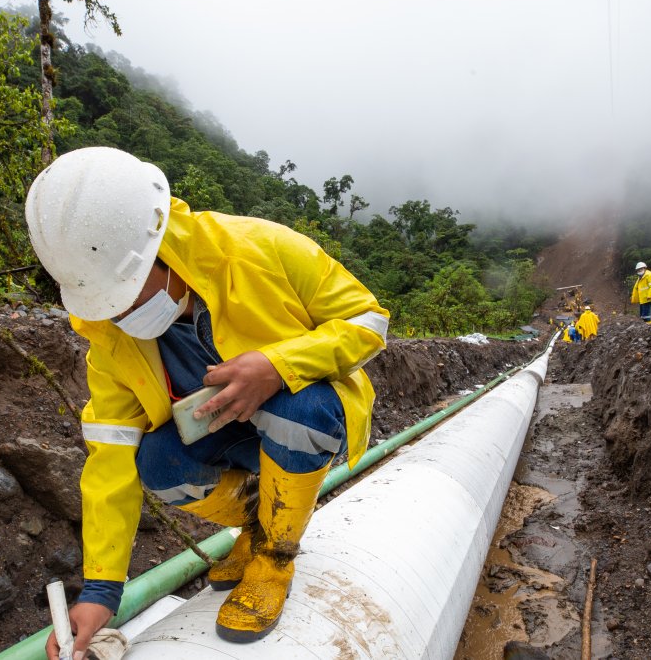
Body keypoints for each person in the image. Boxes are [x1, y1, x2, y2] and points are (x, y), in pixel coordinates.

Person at [25, 147, 389, 655]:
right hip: (228, 438)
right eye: (106, 302)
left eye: (126, 292)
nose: (120, 312)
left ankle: (276, 557)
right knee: (156, 460)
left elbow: (369, 321)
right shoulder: (111, 340)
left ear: (160, 249)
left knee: (299, 411)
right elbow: (110, 454)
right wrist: (102, 590)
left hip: (303, 419)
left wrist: (279, 365)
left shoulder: (259, 249)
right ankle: (256, 529)